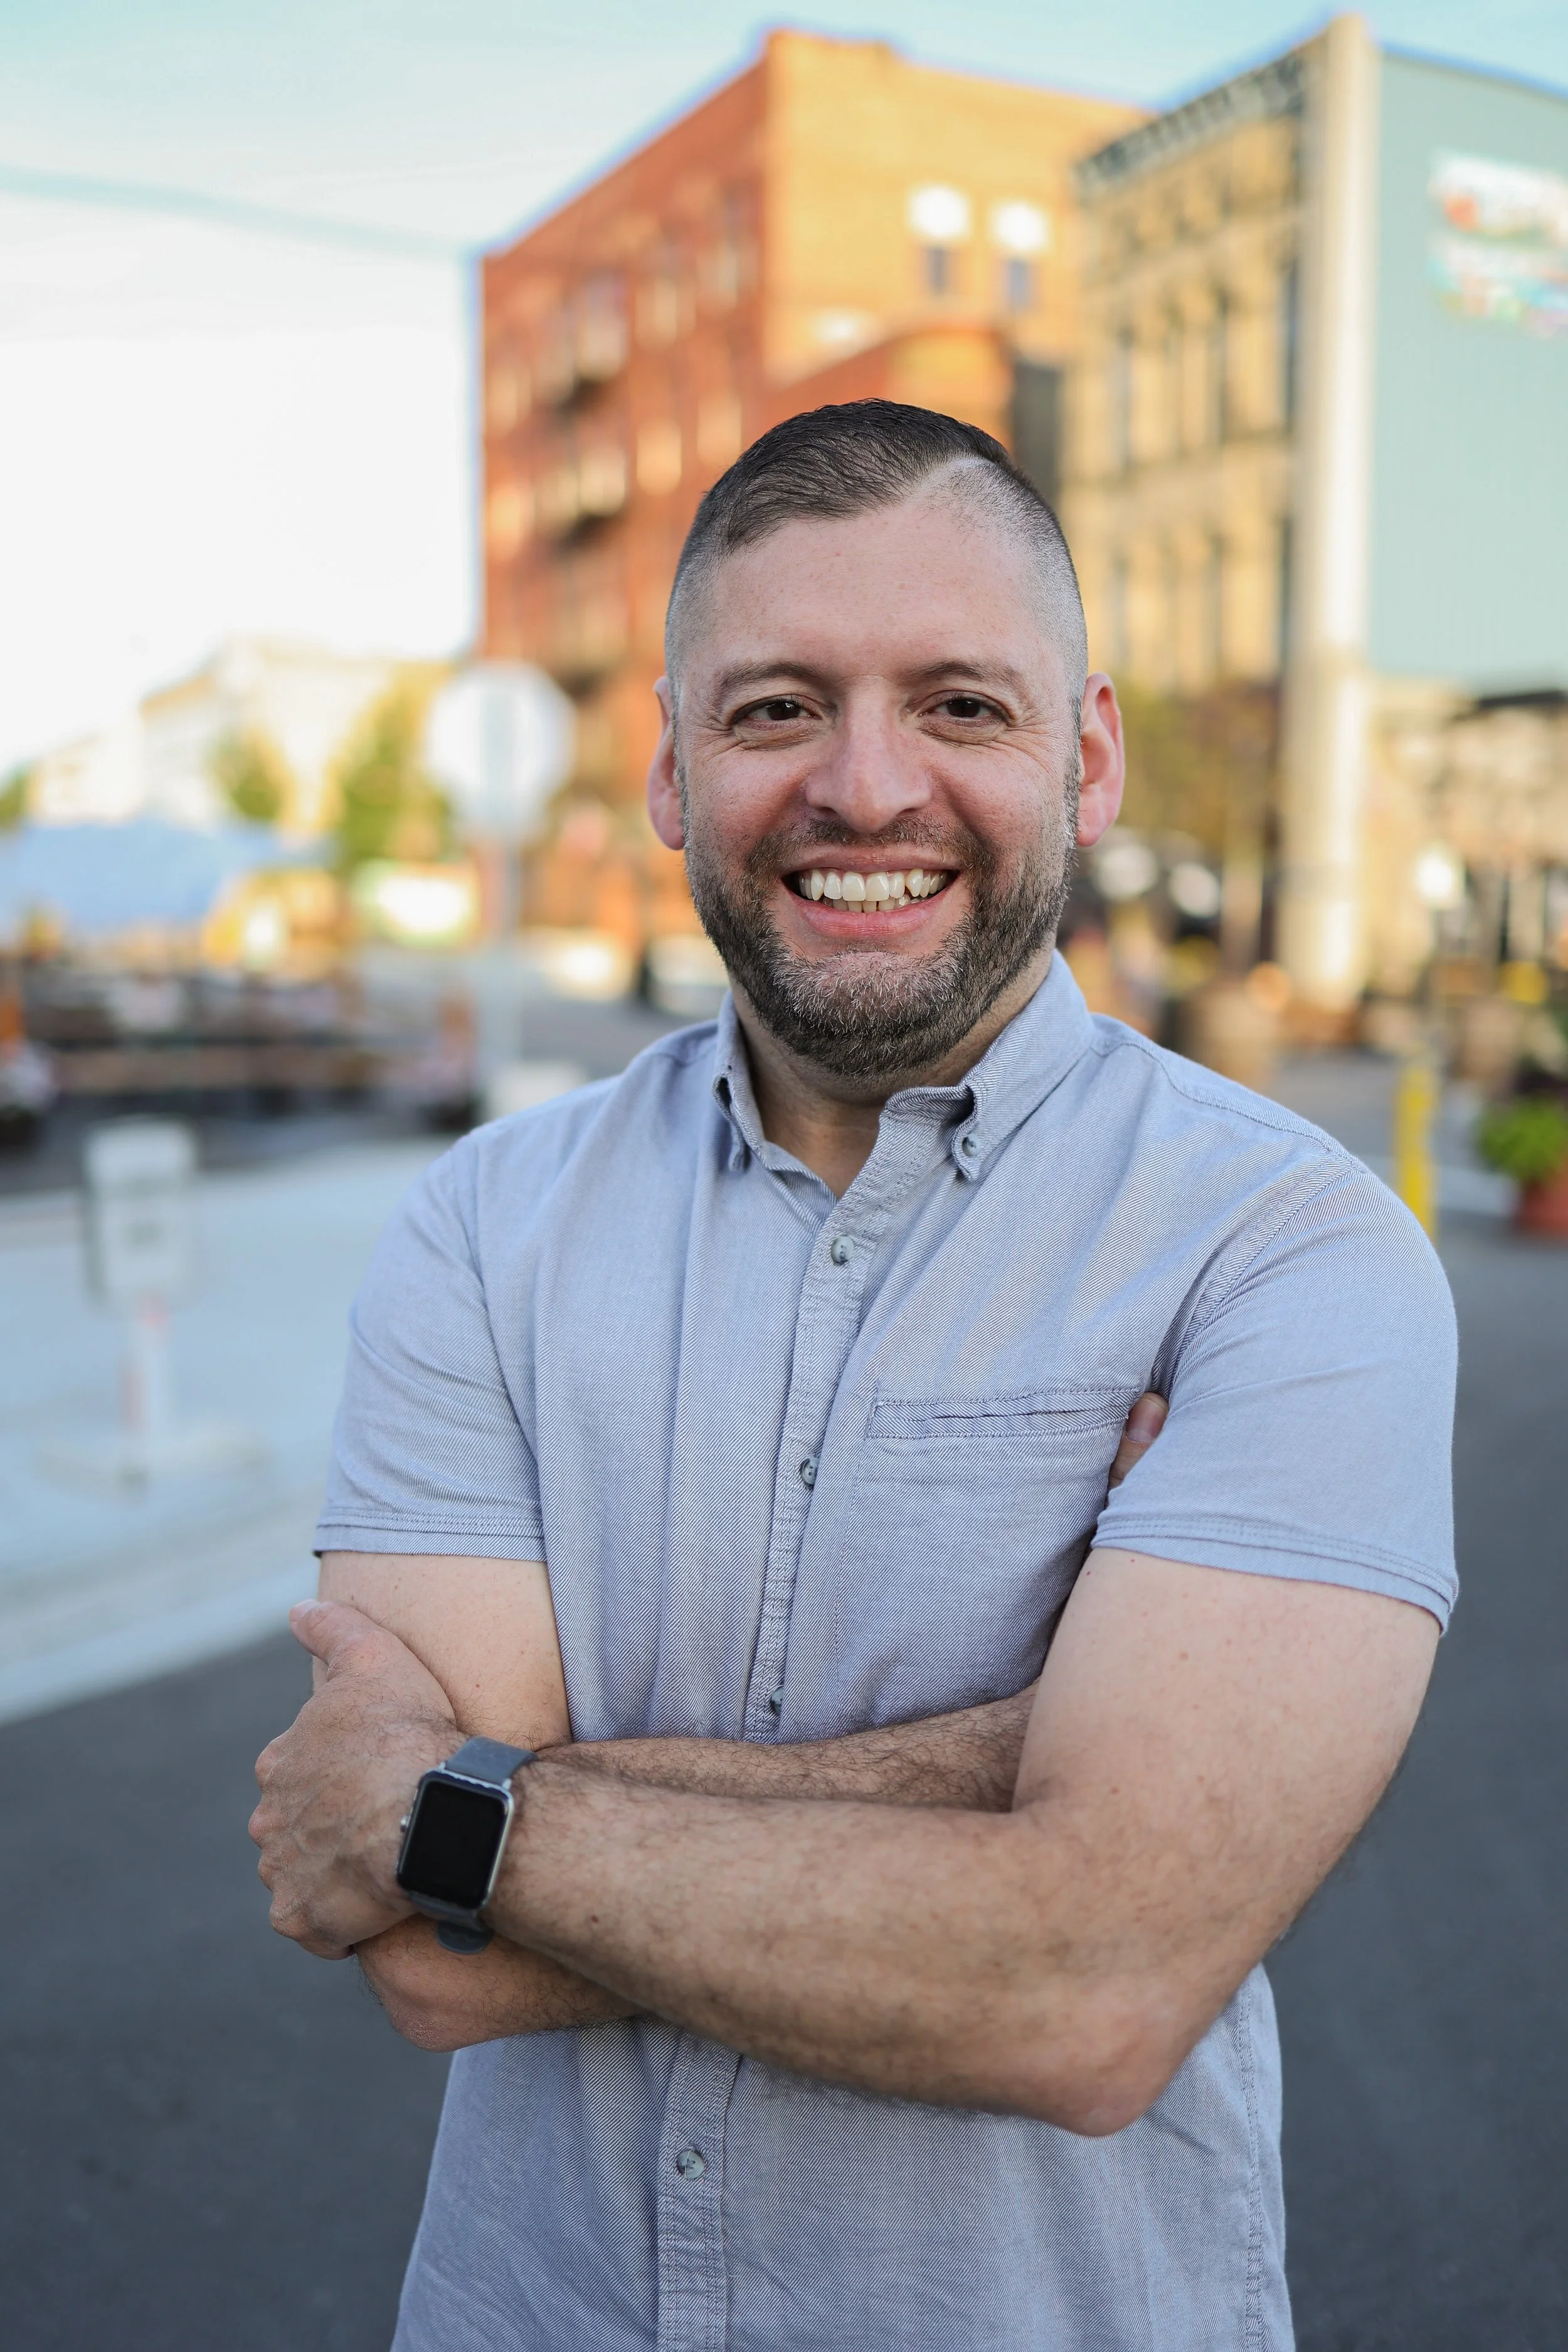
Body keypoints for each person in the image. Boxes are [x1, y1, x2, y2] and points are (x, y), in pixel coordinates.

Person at [251, 402, 1456, 2352]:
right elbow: (433, 1958)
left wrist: (460, 1804)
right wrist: (1028, 1757)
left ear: (1088, 755)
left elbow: (1088, 1986)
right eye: (776, 708)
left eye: (961, 705)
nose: (866, 786)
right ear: (667, 767)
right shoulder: (482, 1229)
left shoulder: (1291, 1250)